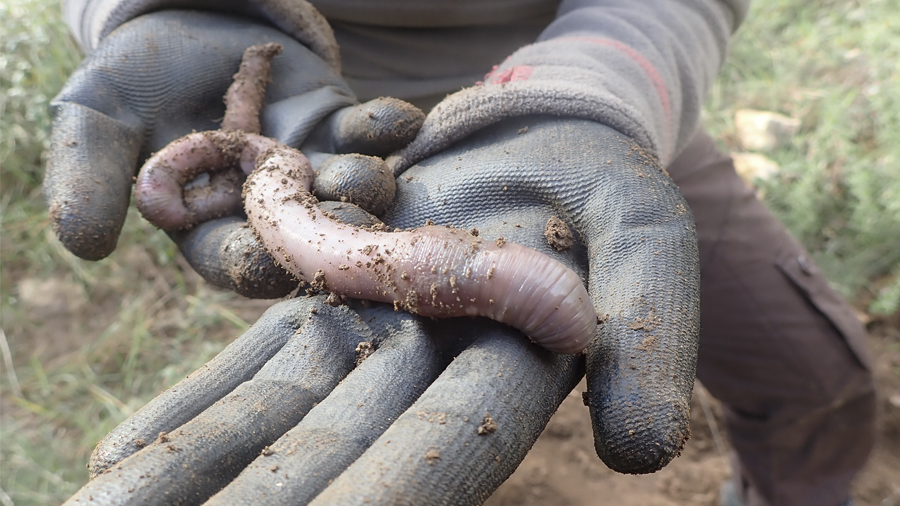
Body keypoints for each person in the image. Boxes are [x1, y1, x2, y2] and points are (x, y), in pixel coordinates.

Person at [46, 1, 875, 505]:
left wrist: (594, 86)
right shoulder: (277, 163)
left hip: (587, 116)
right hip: (343, 136)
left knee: (816, 377)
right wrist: (158, 6)